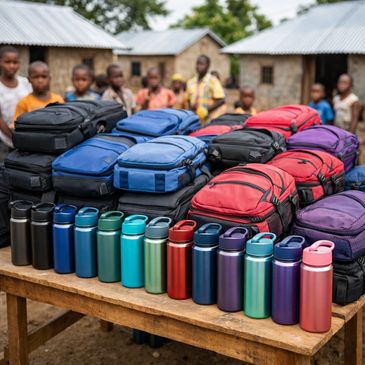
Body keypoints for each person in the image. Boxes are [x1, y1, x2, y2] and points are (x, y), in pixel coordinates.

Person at [0, 46, 31, 151]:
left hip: (26, 136)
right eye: (7, 62)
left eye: (15, 62)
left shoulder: (25, 82)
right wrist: (12, 136)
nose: (11, 66)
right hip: (4, 138)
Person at [187, 55, 226, 124]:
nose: (199, 66)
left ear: (208, 66)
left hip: (210, 120)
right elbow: (189, 101)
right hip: (195, 120)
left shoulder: (213, 81)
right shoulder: (191, 82)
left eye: (202, 64)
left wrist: (206, 110)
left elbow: (221, 100)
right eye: (197, 63)